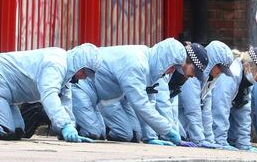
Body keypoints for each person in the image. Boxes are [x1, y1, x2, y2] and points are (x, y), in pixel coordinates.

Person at [71, 38, 201, 145]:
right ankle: (75, 123)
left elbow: (149, 101)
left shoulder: (154, 68)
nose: (172, 71)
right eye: (172, 67)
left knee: (133, 134)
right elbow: (141, 104)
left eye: (175, 68)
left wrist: (150, 137)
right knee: (94, 133)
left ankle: (91, 122)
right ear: (165, 60)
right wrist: (167, 130)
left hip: (105, 97)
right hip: (83, 84)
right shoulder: (137, 64)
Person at [211, 46, 257, 151]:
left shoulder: (246, 80)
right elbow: (220, 108)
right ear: (248, 66)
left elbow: (244, 113)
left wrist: (244, 145)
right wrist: (220, 141)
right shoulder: (233, 74)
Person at [176, 40, 234, 148]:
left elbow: (206, 112)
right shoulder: (192, 76)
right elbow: (192, 110)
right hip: (176, 128)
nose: (220, 73)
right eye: (220, 68)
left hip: (185, 131)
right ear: (213, 62)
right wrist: (199, 140)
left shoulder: (209, 81)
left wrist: (209, 140)